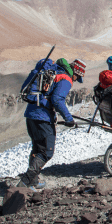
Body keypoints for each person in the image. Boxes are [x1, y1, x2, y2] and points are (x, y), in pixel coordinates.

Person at [17, 58, 86, 189]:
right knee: (46, 152)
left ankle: (33, 181)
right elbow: (57, 99)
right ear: (76, 73)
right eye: (77, 78)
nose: (76, 80)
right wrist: (68, 118)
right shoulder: (66, 79)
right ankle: (24, 184)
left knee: (37, 149)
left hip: (31, 114)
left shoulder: (53, 72)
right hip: (43, 117)